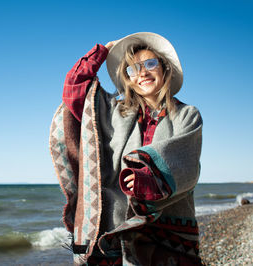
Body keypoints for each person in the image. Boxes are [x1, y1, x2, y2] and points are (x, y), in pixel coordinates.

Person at [50, 32, 203, 265]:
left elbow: (186, 161)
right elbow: (74, 89)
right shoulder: (115, 112)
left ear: (165, 69)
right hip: (115, 226)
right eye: (133, 68)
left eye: (150, 63)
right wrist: (101, 52)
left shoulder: (187, 114)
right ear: (128, 79)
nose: (142, 72)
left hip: (168, 230)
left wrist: (147, 176)